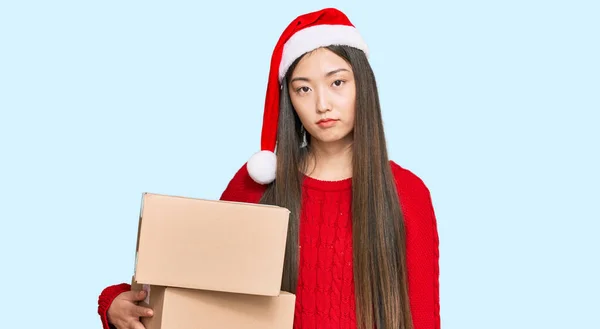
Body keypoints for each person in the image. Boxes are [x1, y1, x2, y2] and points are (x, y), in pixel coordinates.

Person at [97, 7, 440, 329]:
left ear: (363, 85)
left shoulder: (407, 193)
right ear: (289, 100)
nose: (322, 104)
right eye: (303, 89)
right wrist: (113, 301)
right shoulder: (259, 185)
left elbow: (424, 318)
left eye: (337, 82)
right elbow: (195, 280)